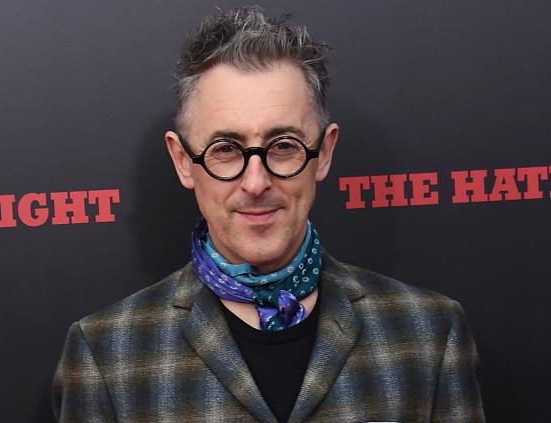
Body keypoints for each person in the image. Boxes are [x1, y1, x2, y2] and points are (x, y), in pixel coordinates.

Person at [52, 6, 485, 422]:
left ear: (324, 153)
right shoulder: (107, 354)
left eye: (284, 146)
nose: (256, 183)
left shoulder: (428, 333)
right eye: (225, 149)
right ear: (183, 161)